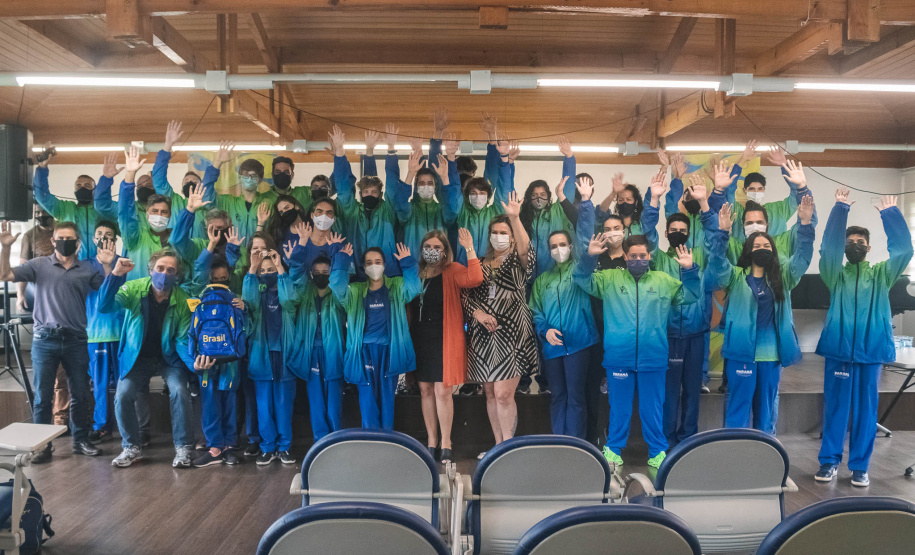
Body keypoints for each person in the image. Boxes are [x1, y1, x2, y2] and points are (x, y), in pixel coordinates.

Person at [575, 233, 698, 469]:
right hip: (618, 357)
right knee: (619, 408)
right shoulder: (609, 278)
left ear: (650, 256)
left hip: (653, 357)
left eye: (643, 256)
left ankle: (657, 452)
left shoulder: (663, 280)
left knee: (652, 409)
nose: (638, 260)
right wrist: (589, 257)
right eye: (633, 256)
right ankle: (612, 450)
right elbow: (582, 279)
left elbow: (690, 296)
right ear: (625, 256)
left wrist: (689, 271)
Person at [815, 191, 913, 487]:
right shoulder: (835, 274)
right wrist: (839, 210)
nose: (854, 246)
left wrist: (892, 215)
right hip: (839, 351)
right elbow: (827, 250)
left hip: (870, 352)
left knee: (866, 412)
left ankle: (859, 466)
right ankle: (829, 462)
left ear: (868, 248)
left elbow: (904, 252)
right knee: (835, 408)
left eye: (860, 242)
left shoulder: (882, 274)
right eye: (849, 242)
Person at [708, 195, 815, 433]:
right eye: (757, 246)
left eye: (767, 246)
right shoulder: (735, 276)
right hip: (740, 353)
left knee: (766, 413)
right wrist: (722, 232)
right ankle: (734, 455)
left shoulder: (783, 277)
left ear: (774, 251)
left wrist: (805, 226)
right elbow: (716, 263)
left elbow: (803, 258)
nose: (762, 249)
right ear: (748, 250)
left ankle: (766, 460)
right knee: (737, 408)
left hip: (771, 355)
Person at [0, 220, 104, 462]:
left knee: (80, 392)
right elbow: (4, 274)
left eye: (70, 239)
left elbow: (108, 291)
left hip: (76, 339)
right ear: (52, 241)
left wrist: (109, 266)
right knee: (43, 396)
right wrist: (5, 248)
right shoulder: (38, 265)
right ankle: (42, 446)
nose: (64, 243)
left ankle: (80, 440)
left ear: (78, 243)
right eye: (60, 238)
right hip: (44, 339)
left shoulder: (88, 269)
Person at [99, 250, 196, 468]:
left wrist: (195, 365)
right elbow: (104, 306)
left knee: (180, 391)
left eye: (170, 270)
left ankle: (184, 448)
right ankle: (131, 447)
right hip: (137, 358)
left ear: (177, 274)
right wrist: (115, 275)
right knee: (123, 394)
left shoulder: (182, 299)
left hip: (168, 358)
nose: (164, 274)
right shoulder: (133, 289)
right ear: (151, 270)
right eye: (160, 269)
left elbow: (181, 340)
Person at [642, 173, 718, 447]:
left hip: (696, 334)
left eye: (682, 230)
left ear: (688, 232)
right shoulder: (658, 259)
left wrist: (705, 205)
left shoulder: (699, 256)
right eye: (672, 229)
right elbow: (646, 235)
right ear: (666, 233)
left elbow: (715, 240)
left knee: (692, 392)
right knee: (669, 391)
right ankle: (665, 440)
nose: (677, 233)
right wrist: (653, 200)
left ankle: (688, 439)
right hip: (669, 335)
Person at [463, 193, 537, 453]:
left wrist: (515, 219)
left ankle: (508, 447)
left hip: (513, 334)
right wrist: (478, 314)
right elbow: (465, 296)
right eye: (494, 231)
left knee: (505, 394)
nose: (499, 236)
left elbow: (527, 248)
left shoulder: (519, 261)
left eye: (504, 232)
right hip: (484, 336)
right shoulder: (480, 264)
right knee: (491, 394)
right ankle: (498, 446)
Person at [408, 229, 482, 462]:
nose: (432, 251)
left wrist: (469, 248)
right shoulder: (415, 273)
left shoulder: (452, 270)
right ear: (421, 250)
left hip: (444, 337)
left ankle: (446, 442)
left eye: (437, 248)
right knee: (425, 390)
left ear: (445, 251)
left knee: (442, 390)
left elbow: (475, 278)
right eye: (428, 247)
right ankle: (431, 441)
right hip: (419, 337)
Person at [330, 242, 420, 430]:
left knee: (387, 397)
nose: (374, 266)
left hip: (390, 351)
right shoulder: (355, 290)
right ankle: (371, 440)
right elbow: (338, 289)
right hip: (363, 352)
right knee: (367, 398)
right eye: (369, 262)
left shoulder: (396, 285)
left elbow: (413, 289)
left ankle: (386, 441)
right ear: (363, 267)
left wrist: (408, 264)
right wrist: (341, 262)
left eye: (378, 261)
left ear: (385, 265)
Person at [530, 223, 599, 438]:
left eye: (562, 244)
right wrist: (545, 330)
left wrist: (590, 253)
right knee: (558, 395)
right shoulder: (542, 280)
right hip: (552, 347)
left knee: (577, 396)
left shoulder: (578, 272)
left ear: (570, 246)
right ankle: (559, 440)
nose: (558, 249)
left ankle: (576, 443)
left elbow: (587, 265)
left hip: (580, 344)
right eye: (553, 246)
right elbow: (535, 310)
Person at [189, 258, 246, 468]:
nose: (219, 282)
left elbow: (191, 335)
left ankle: (226, 446)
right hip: (221, 360)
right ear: (209, 278)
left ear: (229, 278)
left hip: (208, 358)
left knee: (222, 402)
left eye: (223, 278)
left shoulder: (204, 301)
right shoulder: (231, 300)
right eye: (215, 278)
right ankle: (217, 447)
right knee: (215, 403)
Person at [242, 248, 298, 465]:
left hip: (284, 357)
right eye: (264, 270)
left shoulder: (287, 296)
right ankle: (267, 447)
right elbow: (248, 301)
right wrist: (253, 268)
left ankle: (284, 447)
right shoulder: (258, 295)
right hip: (261, 356)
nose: (267, 273)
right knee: (263, 405)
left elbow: (290, 298)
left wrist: (282, 268)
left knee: (284, 404)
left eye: (271, 269)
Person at [287, 256, 346, 442]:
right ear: (311, 274)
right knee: (316, 401)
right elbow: (296, 278)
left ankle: (335, 440)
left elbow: (342, 283)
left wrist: (341, 259)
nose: (321, 276)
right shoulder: (305, 293)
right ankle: (320, 441)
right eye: (317, 273)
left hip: (334, 352)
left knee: (334, 402)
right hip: (311, 353)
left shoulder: (338, 294)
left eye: (326, 273)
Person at [331, 126, 402, 277]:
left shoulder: (387, 210)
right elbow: (343, 187)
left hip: (388, 272)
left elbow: (392, 184)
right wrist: (339, 151)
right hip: (357, 272)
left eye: (374, 192)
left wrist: (391, 149)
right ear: (361, 194)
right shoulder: (352, 211)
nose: (369, 195)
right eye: (366, 192)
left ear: (380, 194)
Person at [150, 121, 232, 239]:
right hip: (175, 252)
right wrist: (167, 146)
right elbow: (159, 180)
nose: (190, 182)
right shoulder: (174, 202)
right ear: (182, 188)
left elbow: (207, 186)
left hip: (199, 251)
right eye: (186, 181)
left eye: (194, 181)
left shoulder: (206, 205)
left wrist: (217, 163)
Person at [87, 222, 131, 444]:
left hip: (121, 331)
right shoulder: (85, 265)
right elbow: (99, 291)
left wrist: (110, 265)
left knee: (126, 384)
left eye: (109, 235)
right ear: (93, 238)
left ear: (116, 239)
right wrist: (104, 266)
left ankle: (129, 428)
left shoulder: (124, 263)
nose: (104, 238)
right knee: (101, 383)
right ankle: (102, 426)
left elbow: (118, 291)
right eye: (99, 234)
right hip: (97, 333)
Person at [32, 147, 102, 260]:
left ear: (95, 190)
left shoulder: (102, 211)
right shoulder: (65, 209)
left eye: (87, 186)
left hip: (100, 265)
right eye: (78, 186)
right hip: (72, 264)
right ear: (74, 190)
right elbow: (42, 197)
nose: (82, 188)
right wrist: (42, 168)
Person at [118, 145, 174, 279]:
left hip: (170, 297)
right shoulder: (135, 238)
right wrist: (130, 175)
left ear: (170, 215)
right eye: (154, 211)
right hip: (138, 296)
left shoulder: (176, 240)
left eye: (163, 212)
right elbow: (126, 213)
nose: (159, 215)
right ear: (147, 214)